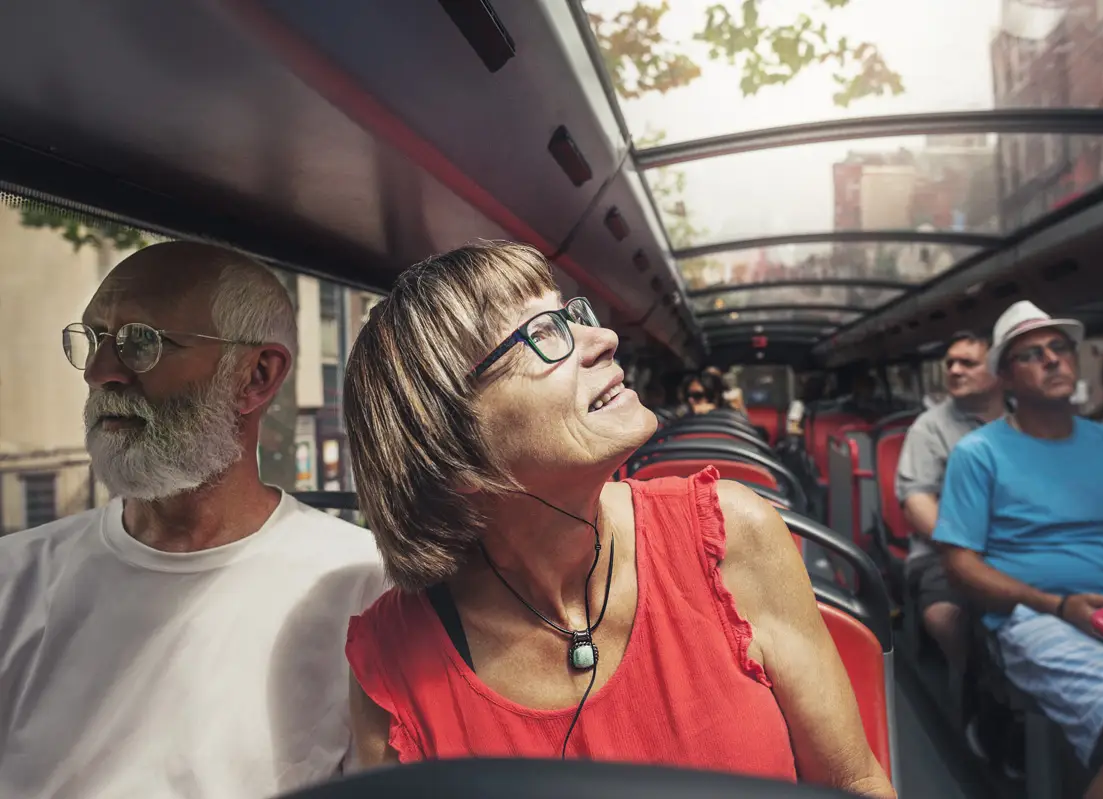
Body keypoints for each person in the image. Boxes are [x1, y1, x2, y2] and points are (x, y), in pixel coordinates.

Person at [340, 242, 894, 798]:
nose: (604, 339)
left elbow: (855, 781)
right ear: (454, 451)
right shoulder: (392, 663)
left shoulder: (731, 535)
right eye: (542, 334)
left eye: (570, 315)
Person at [0, 242, 387, 799]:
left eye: (142, 342)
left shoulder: (363, 588)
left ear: (256, 375)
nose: (98, 371)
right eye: (93, 338)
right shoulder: (14, 579)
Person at [933, 300, 1103, 799]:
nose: (1052, 360)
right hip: (1035, 617)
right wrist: (1058, 606)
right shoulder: (978, 454)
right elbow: (960, 566)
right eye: (1032, 354)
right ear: (1004, 376)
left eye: (1059, 348)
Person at [896, 331, 1004, 674]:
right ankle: (967, 687)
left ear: (999, 370)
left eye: (968, 363)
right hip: (943, 551)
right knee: (946, 617)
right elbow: (917, 503)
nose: (955, 370)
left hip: (1020, 545)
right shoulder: (929, 428)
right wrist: (971, 551)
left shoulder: (1027, 421)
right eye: (950, 363)